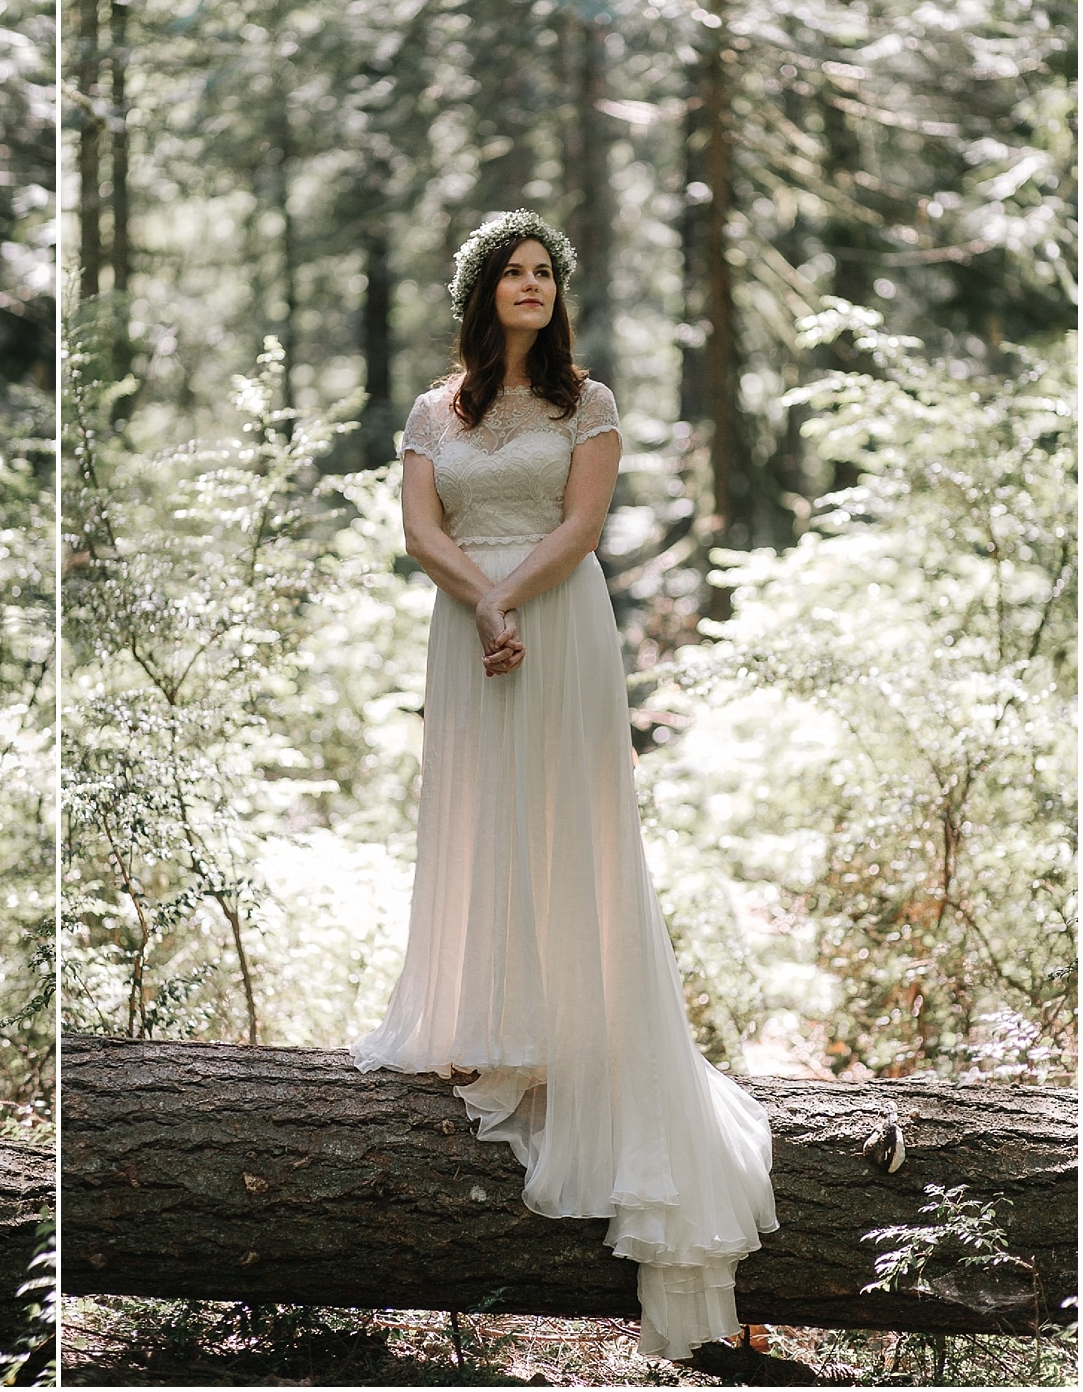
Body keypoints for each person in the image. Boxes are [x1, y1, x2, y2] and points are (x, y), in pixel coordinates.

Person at [348, 212, 777, 1360]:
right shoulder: (436, 411)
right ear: (480, 291)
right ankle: (483, 1013)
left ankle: (576, 1022)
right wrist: (474, 601)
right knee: (478, 816)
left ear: (555, 293)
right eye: (511, 271)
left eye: (543, 272)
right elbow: (418, 526)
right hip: (465, 627)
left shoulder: (586, 402)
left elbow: (581, 524)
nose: (529, 284)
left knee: (566, 824)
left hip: (558, 623)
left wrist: (508, 597)